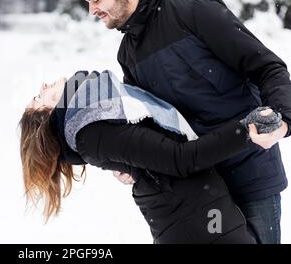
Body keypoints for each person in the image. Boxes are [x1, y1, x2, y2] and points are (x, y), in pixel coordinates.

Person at [72, 0, 290, 244]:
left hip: (250, 172)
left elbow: (267, 67)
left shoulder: (194, 12)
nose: (92, 10)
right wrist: (132, 164)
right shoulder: (129, 54)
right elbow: (150, 124)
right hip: (201, 188)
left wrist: (283, 119)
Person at [19, 70, 283, 244]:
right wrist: (244, 129)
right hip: (197, 225)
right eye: (36, 97)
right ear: (45, 117)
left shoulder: (95, 110)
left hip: (199, 213)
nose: (42, 86)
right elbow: (181, 159)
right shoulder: (89, 132)